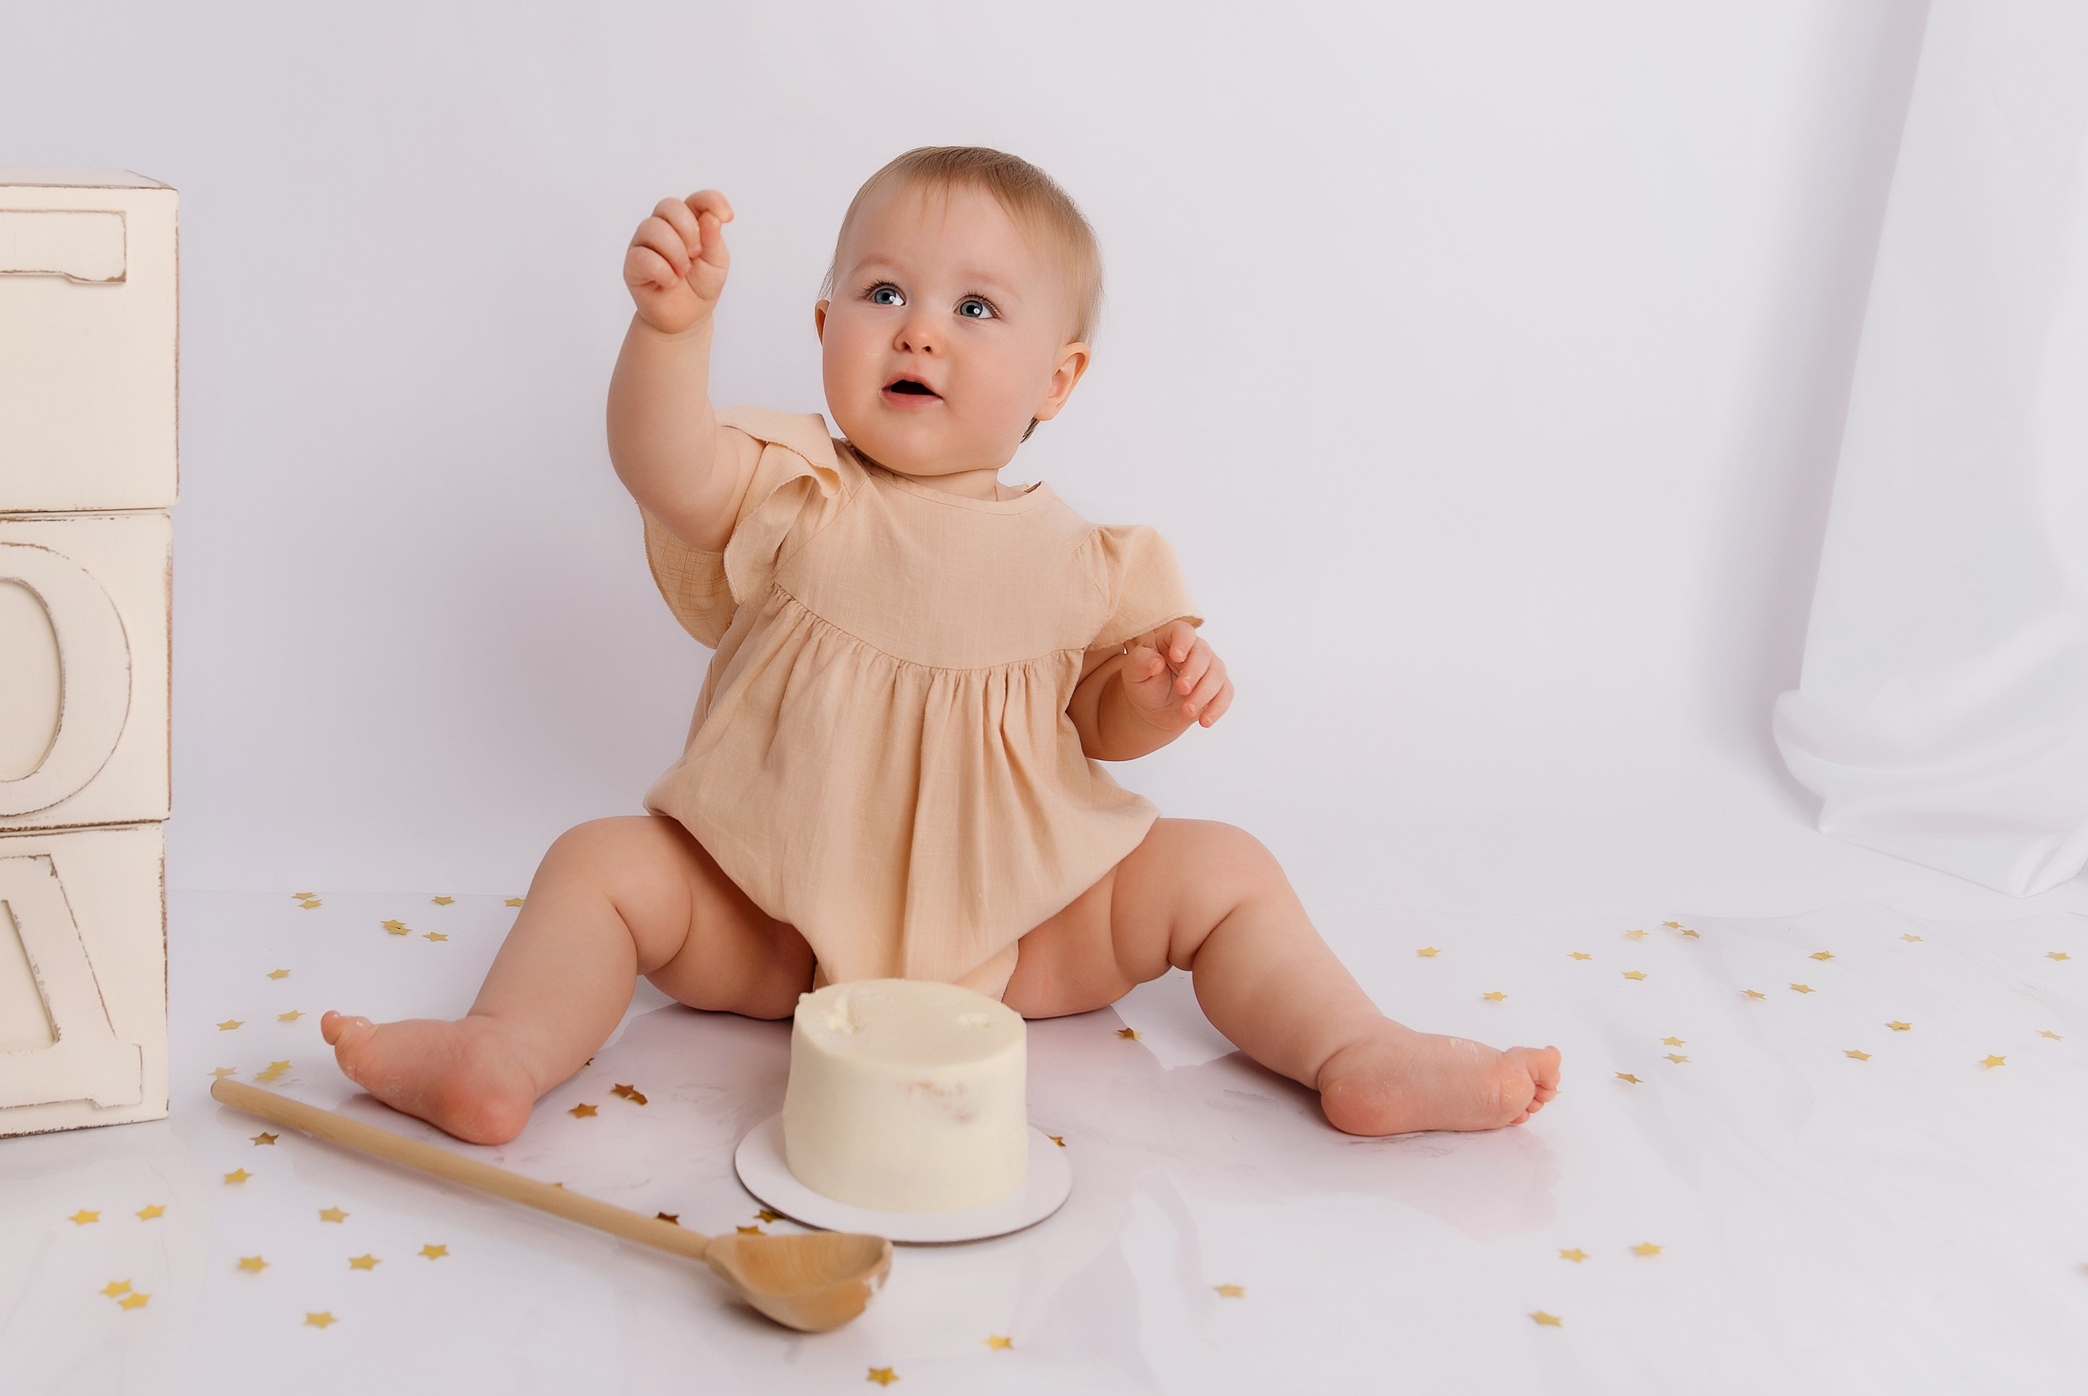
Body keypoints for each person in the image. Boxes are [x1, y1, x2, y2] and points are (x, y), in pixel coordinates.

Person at [324, 146, 1560, 1144]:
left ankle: (1358, 1048)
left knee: (1224, 867)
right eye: (882, 294)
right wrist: (670, 332)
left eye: (975, 308)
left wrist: (1152, 691)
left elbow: (1101, 731)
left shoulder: (1087, 559)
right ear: (820, 325)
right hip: (773, 920)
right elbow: (665, 465)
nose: (919, 331)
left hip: (1020, 930)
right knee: (598, 863)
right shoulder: (798, 485)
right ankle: (504, 1051)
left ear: (1056, 379)